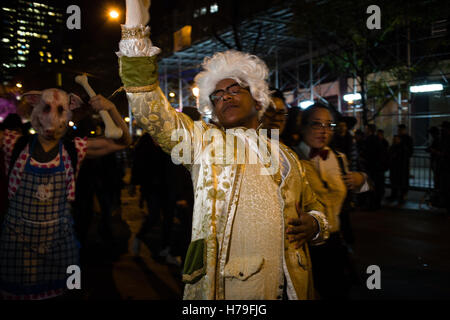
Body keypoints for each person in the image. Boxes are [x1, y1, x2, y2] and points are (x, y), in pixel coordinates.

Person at [116, 2, 329, 300]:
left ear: (257, 100)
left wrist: (315, 224)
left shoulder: (288, 156)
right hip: (230, 291)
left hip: (292, 288)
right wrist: (135, 21)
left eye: (234, 90)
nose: (224, 97)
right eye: (217, 95)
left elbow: (317, 205)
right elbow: (148, 105)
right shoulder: (202, 143)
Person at [0, 89, 131, 300]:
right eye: (45, 108)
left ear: (69, 112)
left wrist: (112, 109)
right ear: (35, 107)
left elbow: (123, 142)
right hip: (17, 245)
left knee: (70, 291)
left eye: (60, 110)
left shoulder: (75, 149)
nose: (51, 117)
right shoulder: (12, 143)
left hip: (62, 244)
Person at [292, 103, 369, 299]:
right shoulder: (290, 158)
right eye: (317, 124)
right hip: (305, 245)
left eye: (329, 125)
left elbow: (360, 191)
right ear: (303, 127)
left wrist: (362, 180)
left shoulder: (340, 158)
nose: (324, 131)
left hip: (335, 241)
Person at [387, 124, 413, 203]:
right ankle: (394, 194)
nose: (399, 131)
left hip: (402, 164)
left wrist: (400, 145)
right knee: (394, 179)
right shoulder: (397, 138)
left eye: (400, 130)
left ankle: (401, 196)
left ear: (404, 130)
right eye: (398, 130)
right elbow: (391, 149)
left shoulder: (407, 139)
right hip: (395, 164)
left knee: (402, 180)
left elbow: (410, 152)